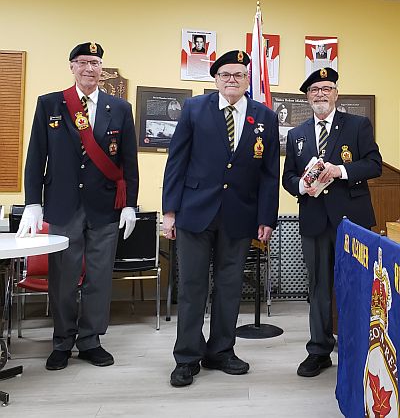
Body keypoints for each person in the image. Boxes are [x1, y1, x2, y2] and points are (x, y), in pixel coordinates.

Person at [16, 42, 139, 371]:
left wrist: (130, 205)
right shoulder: (50, 104)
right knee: (63, 278)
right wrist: (32, 202)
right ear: (72, 66)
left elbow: (129, 161)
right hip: (63, 205)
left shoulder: (120, 108)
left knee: (99, 277)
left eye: (95, 63)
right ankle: (62, 340)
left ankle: (90, 340)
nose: (89, 68)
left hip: (105, 206)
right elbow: (36, 156)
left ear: (102, 69)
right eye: (83, 62)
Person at [162, 50, 280, 387]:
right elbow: (176, 162)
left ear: (247, 80)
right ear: (215, 79)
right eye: (225, 74)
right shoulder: (194, 109)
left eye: (239, 74)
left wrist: (266, 217)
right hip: (194, 212)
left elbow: (270, 174)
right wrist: (169, 211)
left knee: (229, 287)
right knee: (192, 287)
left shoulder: (265, 118)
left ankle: (221, 351)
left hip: (239, 215)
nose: (232, 79)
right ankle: (186, 357)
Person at [282, 67, 382, 377]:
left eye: (326, 88)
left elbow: (374, 164)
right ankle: (319, 350)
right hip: (314, 221)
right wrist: (302, 185)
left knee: (356, 286)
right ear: (307, 98)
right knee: (319, 288)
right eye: (314, 90)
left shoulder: (357, 125)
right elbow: (288, 178)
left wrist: (340, 171)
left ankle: (358, 348)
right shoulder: (296, 135)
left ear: (336, 94)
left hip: (352, 221)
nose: (321, 94)